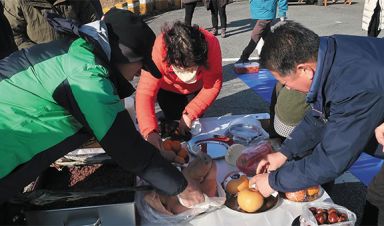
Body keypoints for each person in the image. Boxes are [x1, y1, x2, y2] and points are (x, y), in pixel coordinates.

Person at [0, 8, 204, 209]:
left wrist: (156, 156)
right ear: (125, 56)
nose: (137, 75)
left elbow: (119, 129)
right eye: (140, 66)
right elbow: (124, 144)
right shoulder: (86, 73)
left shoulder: (82, 54)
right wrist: (181, 187)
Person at [248, 20, 384, 225]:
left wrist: (273, 182)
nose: (289, 89)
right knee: (381, 197)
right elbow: (320, 115)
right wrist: (284, 152)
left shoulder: (354, 84)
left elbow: (332, 159)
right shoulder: (326, 54)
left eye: (286, 83)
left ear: (304, 70)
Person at [135, 21, 222, 154]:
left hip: (199, 90)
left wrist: (191, 112)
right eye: (182, 68)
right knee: (173, 122)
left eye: (193, 68)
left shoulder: (211, 43)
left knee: (193, 123)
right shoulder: (160, 48)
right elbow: (145, 93)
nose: (188, 72)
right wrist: (149, 131)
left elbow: (212, 84)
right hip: (168, 89)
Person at [3, 0, 98, 50]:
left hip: (79, 54)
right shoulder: (16, 2)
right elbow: (15, 36)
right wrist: (41, 54)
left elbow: (92, 23)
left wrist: (82, 48)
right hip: (42, 64)